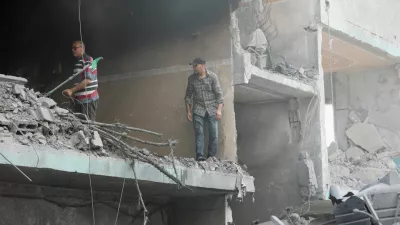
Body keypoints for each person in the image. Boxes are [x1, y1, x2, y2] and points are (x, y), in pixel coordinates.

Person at [184, 57, 224, 161]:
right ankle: (200, 156)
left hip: (212, 108)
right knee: (199, 133)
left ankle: (211, 156)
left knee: (213, 134)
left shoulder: (212, 77)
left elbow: (219, 95)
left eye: (195, 66)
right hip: (198, 109)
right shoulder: (191, 79)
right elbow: (188, 96)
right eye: (193, 66)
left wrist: (219, 110)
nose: (194, 68)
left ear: (203, 65)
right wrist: (188, 111)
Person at [63, 41, 99, 121]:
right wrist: (73, 95)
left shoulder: (87, 60)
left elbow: (88, 81)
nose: (73, 50)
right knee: (81, 127)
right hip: (80, 101)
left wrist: (72, 90)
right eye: (72, 48)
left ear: (82, 48)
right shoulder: (78, 62)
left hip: (88, 100)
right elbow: (78, 82)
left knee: (89, 126)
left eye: (75, 48)